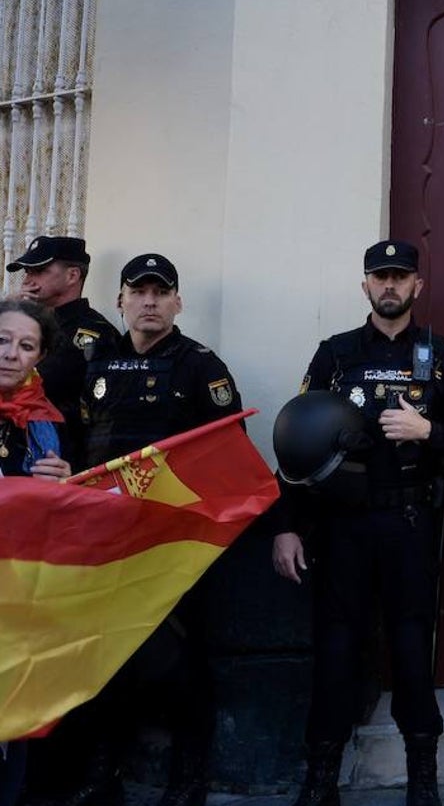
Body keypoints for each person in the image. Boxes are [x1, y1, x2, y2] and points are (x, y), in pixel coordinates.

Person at [271, 240, 444, 806]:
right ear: (364, 285)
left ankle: (422, 778)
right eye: (379, 277)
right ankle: (321, 779)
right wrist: (288, 526)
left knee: (412, 649)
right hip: (341, 528)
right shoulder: (334, 354)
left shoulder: (441, 355)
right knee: (336, 649)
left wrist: (428, 433)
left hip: (408, 522)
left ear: (418, 286)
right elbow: (296, 441)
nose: (390, 286)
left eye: (400, 276)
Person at [65, 253, 244, 806]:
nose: (149, 301)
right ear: (119, 300)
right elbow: (73, 441)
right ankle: (104, 774)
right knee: (104, 656)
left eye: (160, 292)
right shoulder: (92, 360)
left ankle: (188, 780)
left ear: (177, 303)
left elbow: (229, 453)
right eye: (138, 291)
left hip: (173, 540)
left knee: (179, 660)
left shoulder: (199, 366)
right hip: (103, 538)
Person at [0, 299, 72, 806]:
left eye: (26, 346)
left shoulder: (45, 422)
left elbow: (62, 515)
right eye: (2, 340)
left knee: (13, 714)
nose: (10, 354)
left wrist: (63, 485)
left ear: (39, 358)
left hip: (17, 593)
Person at [6, 235, 119, 461]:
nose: (28, 280)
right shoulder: (19, 325)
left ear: (72, 275)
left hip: (60, 460)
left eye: (39, 270)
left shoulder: (97, 333)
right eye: (26, 272)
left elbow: (106, 415)